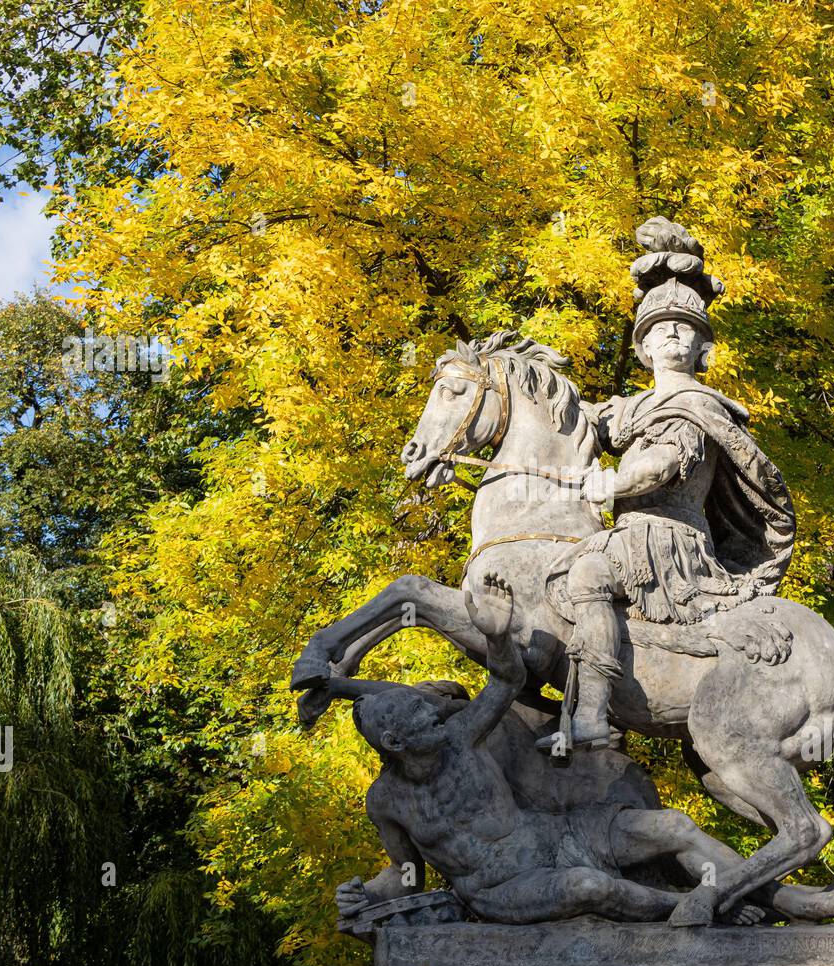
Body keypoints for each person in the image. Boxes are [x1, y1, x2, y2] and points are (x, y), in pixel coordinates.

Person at [331, 573, 776, 926]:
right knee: (589, 887)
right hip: (504, 887)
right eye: (419, 711)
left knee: (672, 826)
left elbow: (506, 682)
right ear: (394, 741)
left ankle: (758, 893)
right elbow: (403, 876)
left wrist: (498, 637)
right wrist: (365, 893)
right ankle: (705, 905)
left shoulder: (461, 737)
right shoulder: (387, 801)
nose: (434, 713)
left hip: (554, 835)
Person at [541, 218, 797, 752]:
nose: (673, 334)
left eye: (686, 329)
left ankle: (591, 719)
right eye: (661, 329)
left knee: (586, 574)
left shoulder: (699, 406)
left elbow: (665, 462)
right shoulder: (630, 408)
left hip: (669, 540)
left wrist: (610, 484)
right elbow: (574, 424)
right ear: (643, 347)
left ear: (703, 348)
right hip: (631, 532)